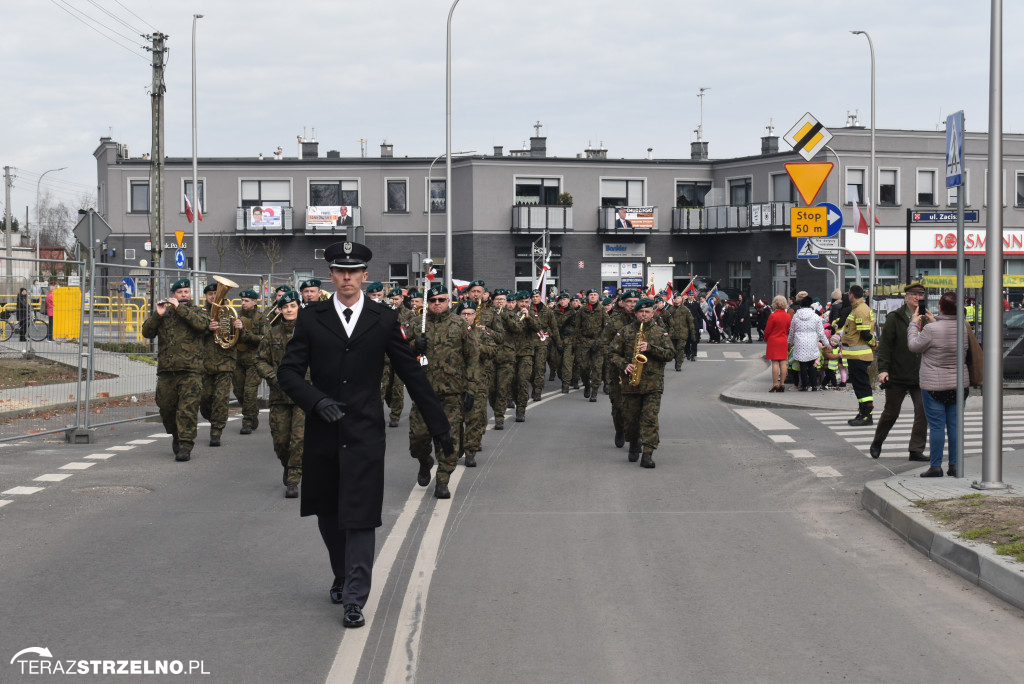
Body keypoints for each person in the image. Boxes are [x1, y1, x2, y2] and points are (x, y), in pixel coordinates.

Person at [277, 241, 452, 630]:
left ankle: (355, 598)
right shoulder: (311, 317)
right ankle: (341, 574)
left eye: (353, 271)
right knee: (328, 513)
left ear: (364, 276)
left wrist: (439, 428)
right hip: (323, 430)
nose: (346, 278)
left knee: (359, 516)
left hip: (365, 433)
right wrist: (316, 400)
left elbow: (412, 374)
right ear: (331, 275)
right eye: (339, 271)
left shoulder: (383, 318)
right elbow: (288, 372)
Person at [407, 284, 480, 493]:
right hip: (423, 393)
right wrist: (413, 346)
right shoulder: (416, 324)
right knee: (418, 439)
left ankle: (442, 480)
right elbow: (397, 351)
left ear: (449, 301)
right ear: (427, 303)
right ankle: (424, 461)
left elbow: (473, 358)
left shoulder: (459, 325)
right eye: (432, 300)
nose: (436, 303)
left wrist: (471, 389)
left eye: (441, 300)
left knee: (449, 440)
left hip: (452, 392)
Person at [141, 279, 211, 461]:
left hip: (191, 370)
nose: (184, 295)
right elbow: (147, 332)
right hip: (167, 370)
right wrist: (158, 314)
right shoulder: (164, 313)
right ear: (173, 295)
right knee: (165, 407)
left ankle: (185, 445)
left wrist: (181, 309)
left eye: (186, 291)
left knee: (187, 409)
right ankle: (176, 434)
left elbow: (202, 325)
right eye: (180, 292)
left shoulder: (198, 311)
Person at [907, 291, 970, 477]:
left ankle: (936, 466)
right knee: (955, 426)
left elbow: (913, 345)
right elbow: (948, 338)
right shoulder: (964, 328)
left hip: (934, 386)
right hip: (958, 385)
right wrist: (935, 323)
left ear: (941, 307)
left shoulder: (931, 330)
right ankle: (955, 465)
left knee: (936, 426)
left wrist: (913, 324)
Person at [609, 298, 675, 467]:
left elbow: (670, 354)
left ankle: (648, 453)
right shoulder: (625, 332)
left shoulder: (660, 332)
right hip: (631, 384)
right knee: (630, 420)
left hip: (653, 384)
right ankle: (633, 443)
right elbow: (612, 353)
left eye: (647, 312)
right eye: (641, 312)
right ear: (636, 313)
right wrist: (625, 365)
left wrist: (651, 348)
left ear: (653, 313)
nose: (644, 315)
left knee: (650, 419)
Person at [869, 282, 929, 462]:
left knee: (923, 412)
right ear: (907, 297)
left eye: (921, 295)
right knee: (891, 412)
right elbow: (886, 346)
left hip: (920, 375)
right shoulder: (895, 317)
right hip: (897, 373)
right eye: (914, 294)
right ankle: (877, 442)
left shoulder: (927, 318)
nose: (918, 298)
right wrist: (883, 370)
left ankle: (916, 449)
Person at [255, 291, 304, 498]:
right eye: (285, 307)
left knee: (299, 439)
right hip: (279, 395)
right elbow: (260, 360)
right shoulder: (272, 334)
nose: (289, 310)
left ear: (298, 307)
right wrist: (274, 378)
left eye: (293, 306)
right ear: (280, 310)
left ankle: (293, 478)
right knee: (281, 441)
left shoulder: (309, 331)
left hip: (304, 395)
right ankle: (287, 465)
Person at [200, 283, 243, 446]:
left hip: (225, 362)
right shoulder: (201, 313)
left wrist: (241, 327)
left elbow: (239, 337)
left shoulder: (230, 312)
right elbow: (193, 335)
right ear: (206, 296)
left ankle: (216, 431)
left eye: (216, 293)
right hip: (205, 363)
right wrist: (207, 328)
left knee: (221, 399)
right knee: (204, 400)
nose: (213, 296)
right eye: (210, 293)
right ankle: (214, 419)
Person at [841, 284, 877, 426]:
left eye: (848, 293)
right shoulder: (857, 308)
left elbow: (865, 333)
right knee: (858, 385)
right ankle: (863, 412)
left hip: (859, 356)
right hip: (854, 356)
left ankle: (867, 415)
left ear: (852, 295)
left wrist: (874, 343)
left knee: (862, 386)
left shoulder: (861, 310)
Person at [233, 288, 266, 435]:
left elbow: (264, 339)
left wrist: (244, 332)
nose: (243, 303)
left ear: (254, 302)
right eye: (242, 300)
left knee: (249, 393)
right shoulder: (236, 315)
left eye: (246, 301)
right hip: (238, 359)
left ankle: (247, 421)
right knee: (238, 391)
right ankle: (253, 412)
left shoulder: (261, 318)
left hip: (254, 360)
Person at [788, 295, 829, 391]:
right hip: (812, 343)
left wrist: (790, 342)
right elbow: (821, 333)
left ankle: (804, 386)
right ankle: (814, 385)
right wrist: (827, 344)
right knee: (812, 365)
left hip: (799, 342)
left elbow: (792, 331)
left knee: (802, 365)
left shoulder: (796, 316)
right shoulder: (815, 317)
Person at [764, 295, 792, 392]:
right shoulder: (788, 316)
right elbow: (788, 329)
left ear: (775, 304)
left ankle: (775, 384)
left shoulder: (773, 316)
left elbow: (768, 330)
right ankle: (782, 384)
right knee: (783, 362)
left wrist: (766, 338)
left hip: (773, 340)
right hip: (783, 340)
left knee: (775, 362)